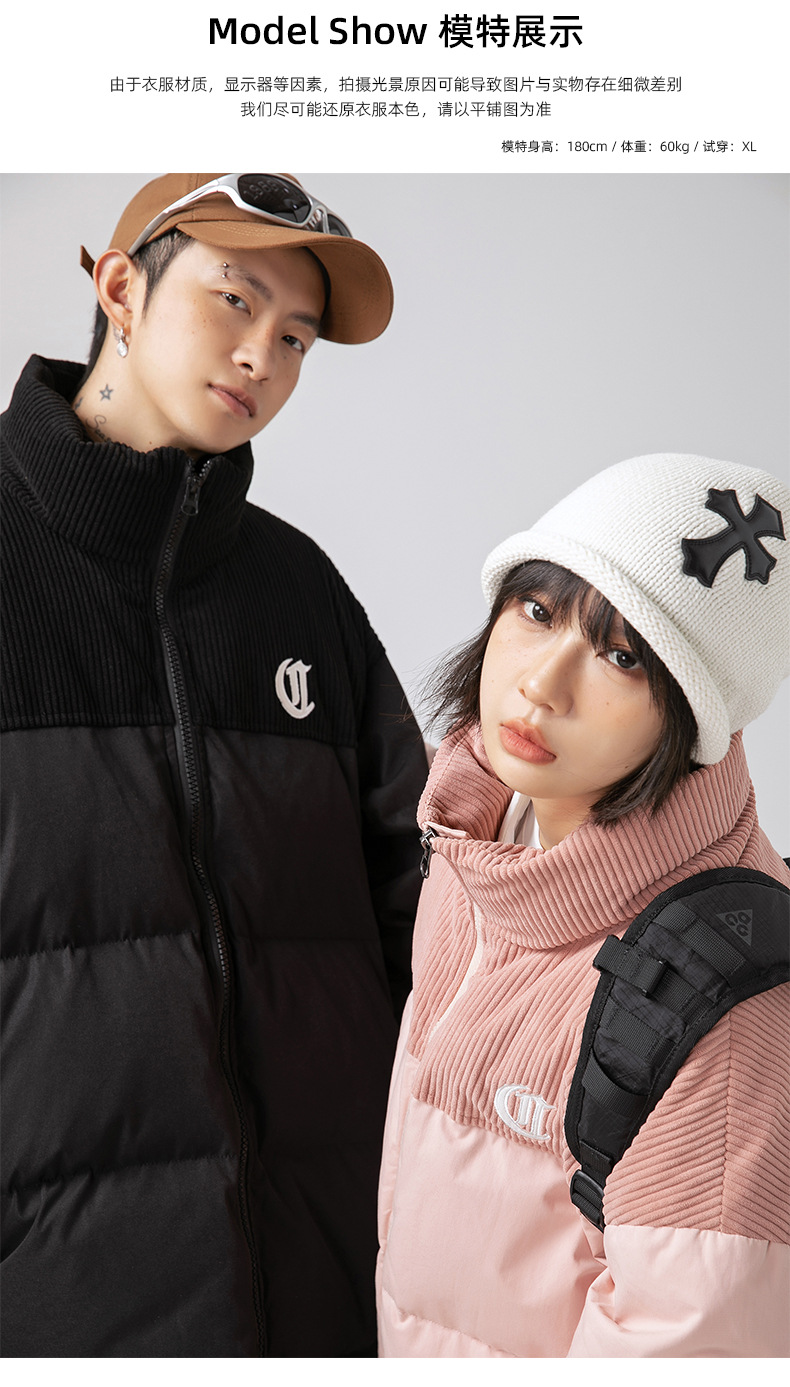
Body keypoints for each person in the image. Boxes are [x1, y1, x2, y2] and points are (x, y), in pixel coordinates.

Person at [1, 173, 428, 1357]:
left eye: (294, 338)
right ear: (120, 289)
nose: (261, 359)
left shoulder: (301, 591)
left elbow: (428, 908)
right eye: (234, 302)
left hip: (333, 1283)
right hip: (62, 1301)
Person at [376, 453, 790, 1357]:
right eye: (537, 610)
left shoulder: (724, 993)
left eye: (622, 655)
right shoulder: (474, 840)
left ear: (693, 718)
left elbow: (691, 1342)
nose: (542, 684)